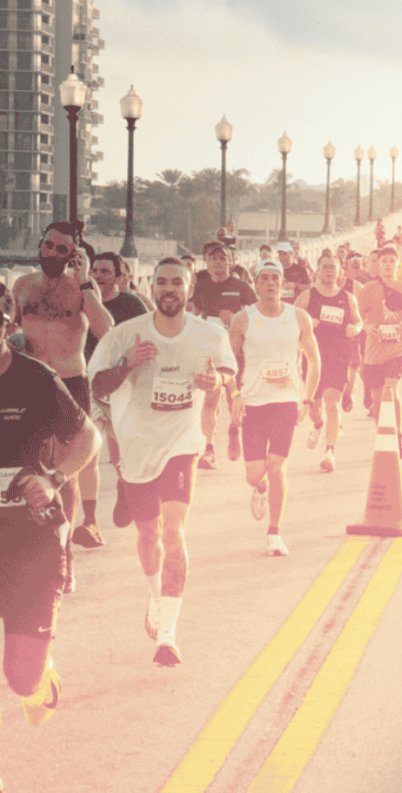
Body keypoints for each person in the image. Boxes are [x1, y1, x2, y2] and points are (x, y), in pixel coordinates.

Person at [89, 258, 236, 666]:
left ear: (190, 289)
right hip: (137, 449)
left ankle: (168, 632)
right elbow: (98, 387)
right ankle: (155, 596)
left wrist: (217, 382)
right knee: (147, 534)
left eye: (178, 282)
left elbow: (227, 371)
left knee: (174, 532)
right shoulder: (124, 336)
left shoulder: (209, 334)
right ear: (150, 287)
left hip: (182, 443)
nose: (170, 289)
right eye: (162, 282)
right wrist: (128, 365)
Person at [0, 282, 99, 793]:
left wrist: (54, 477)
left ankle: (42, 675)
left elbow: (89, 439)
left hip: (32, 541)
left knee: (21, 681)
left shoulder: (35, 380)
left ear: (5, 325)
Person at [11, 221, 114, 591]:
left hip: (70, 385)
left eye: (62, 250)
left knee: (64, 472)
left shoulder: (81, 290)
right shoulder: (23, 286)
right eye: (49, 246)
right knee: (28, 464)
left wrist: (86, 281)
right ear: (41, 245)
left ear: (73, 255)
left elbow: (106, 329)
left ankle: (64, 555)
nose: (52, 254)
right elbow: (9, 333)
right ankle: (24, 548)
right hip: (31, 386)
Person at [229, 258, 320, 555]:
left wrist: (306, 399)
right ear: (256, 284)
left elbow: (314, 361)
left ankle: (274, 533)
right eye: (264, 278)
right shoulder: (242, 319)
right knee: (255, 474)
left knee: (277, 466)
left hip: (285, 402)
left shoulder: (299, 317)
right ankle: (260, 488)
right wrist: (234, 396)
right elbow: (227, 363)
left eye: (275, 278)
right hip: (254, 402)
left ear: (283, 284)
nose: (270, 282)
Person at [69, 253, 148, 549]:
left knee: (119, 453)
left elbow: (144, 337)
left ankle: (124, 485)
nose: (99, 275)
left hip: (119, 384)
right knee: (88, 452)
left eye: (105, 271)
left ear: (118, 276)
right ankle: (90, 522)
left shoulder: (130, 304)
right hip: (84, 385)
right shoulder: (76, 297)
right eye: (95, 270)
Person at [191, 240, 257, 469]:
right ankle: (209, 450)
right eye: (214, 258)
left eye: (222, 258)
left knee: (235, 398)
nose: (218, 262)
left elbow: (258, 318)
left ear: (230, 261)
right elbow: (193, 316)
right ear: (207, 263)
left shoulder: (241, 287)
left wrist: (237, 316)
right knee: (210, 400)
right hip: (211, 352)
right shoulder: (200, 288)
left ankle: (234, 429)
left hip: (237, 351)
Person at [295, 255, 362, 472]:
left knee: (332, 404)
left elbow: (358, 320)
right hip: (314, 357)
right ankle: (317, 424)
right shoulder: (307, 296)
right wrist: (306, 322)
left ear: (339, 272)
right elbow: (291, 318)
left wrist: (356, 329)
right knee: (315, 407)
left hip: (337, 356)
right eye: (325, 268)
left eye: (333, 268)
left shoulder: (347, 297)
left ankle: (330, 452)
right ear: (318, 271)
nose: (329, 271)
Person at [359, 245, 402, 458]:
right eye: (384, 261)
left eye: (392, 261)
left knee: (390, 392)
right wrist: (367, 328)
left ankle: (399, 433)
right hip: (374, 352)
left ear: (398, 264)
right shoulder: (369, 289)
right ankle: (382, 436)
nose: (387, 265)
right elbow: (358, 318)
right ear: (378, 265)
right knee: (376, 400)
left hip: (397, 349)